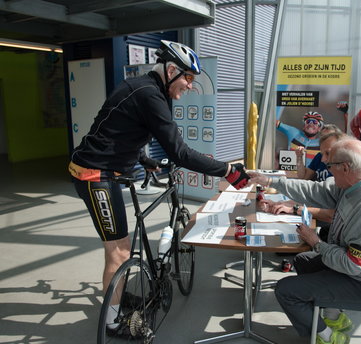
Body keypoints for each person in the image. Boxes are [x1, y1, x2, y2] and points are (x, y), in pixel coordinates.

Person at [68, 40, 249, 328]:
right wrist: (227, 169)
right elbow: (180, 152)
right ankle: (113, 324)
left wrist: (143, 158)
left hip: (108, 171)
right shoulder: (149, 94)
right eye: (188, 78)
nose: (190, 86)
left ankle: (116, 296)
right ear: (172, 70)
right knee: (119, 251)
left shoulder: (149, 90)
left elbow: (118, 129)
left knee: (122, 246)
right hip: (94, 175)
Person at [248, 138, 361, 344]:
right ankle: (334, 316)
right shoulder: (356, 184)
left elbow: (353, 264)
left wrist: (316, 242)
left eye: (330, 165)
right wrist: (270, 181)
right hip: (356, 271)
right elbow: (316, 191)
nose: (328, 170)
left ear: (345, 167)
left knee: (286, 290)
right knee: (302, 260)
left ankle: (327, 337)